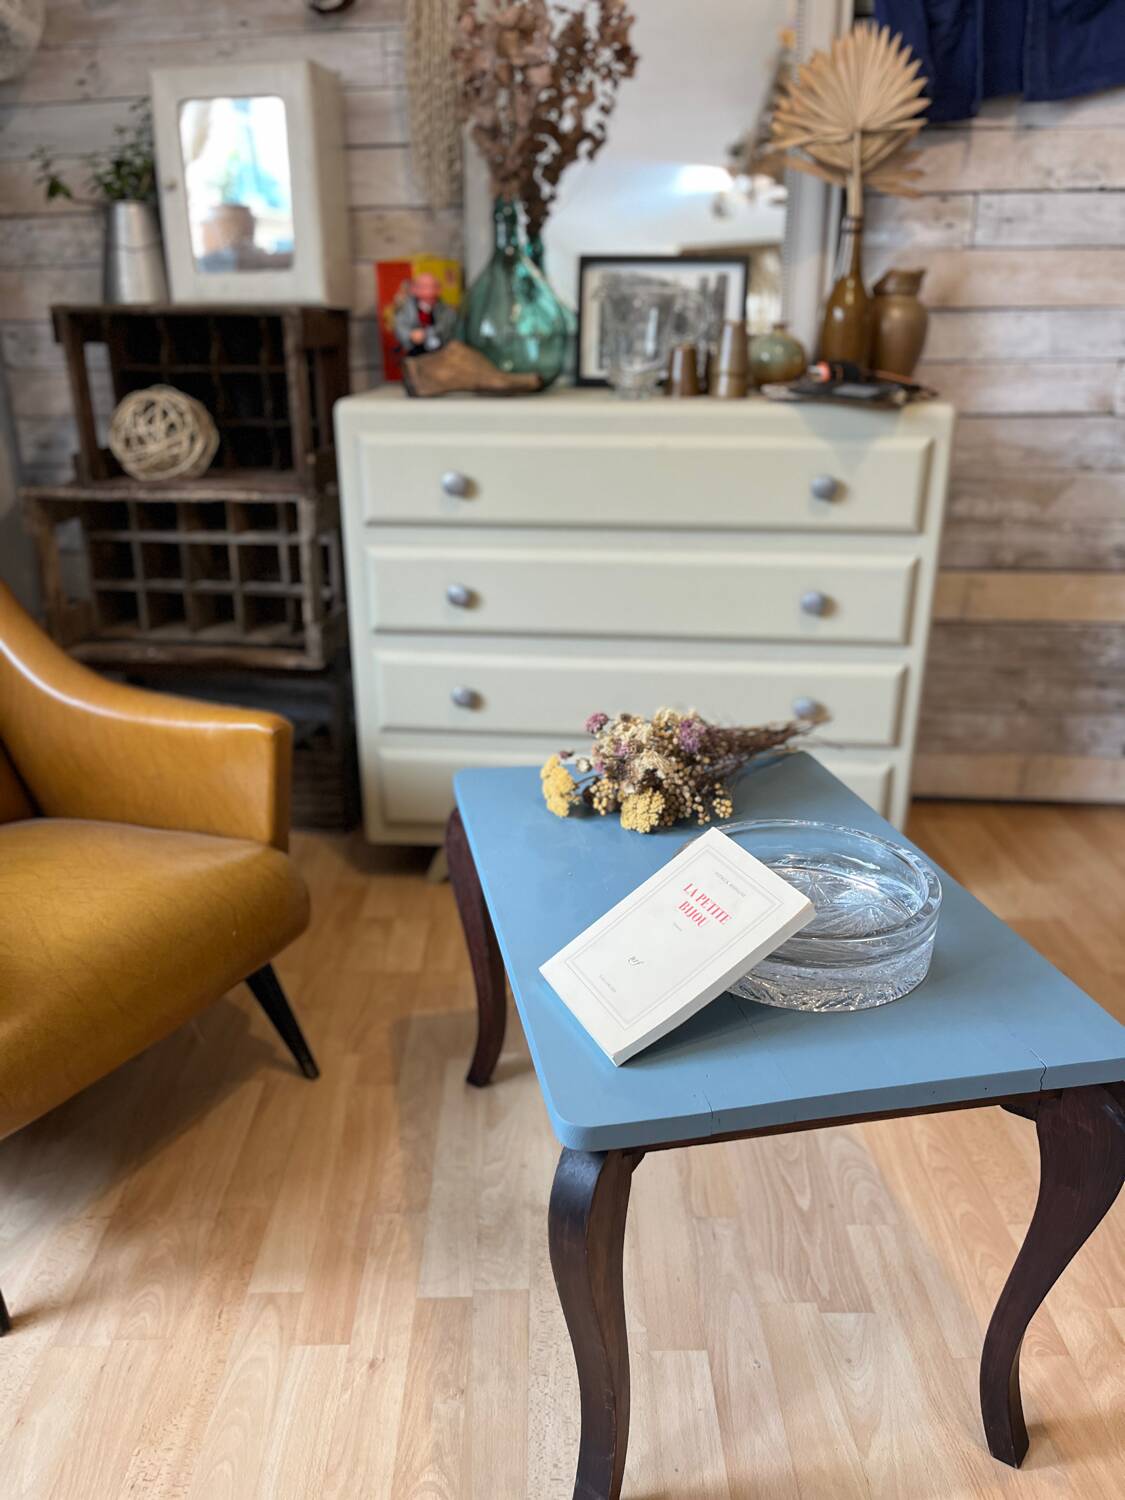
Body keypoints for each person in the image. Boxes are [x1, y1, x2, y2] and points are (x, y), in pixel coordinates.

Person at [393, 271, 457, 357]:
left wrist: (426, 334)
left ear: (439, 290)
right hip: (414, 354)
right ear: (414, 289)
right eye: (422, 287)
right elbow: (400, 326)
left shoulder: (446, 310)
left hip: (441, 354)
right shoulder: (406, 308)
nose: (427, 291)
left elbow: (447, 327)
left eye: (431, 287)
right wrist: (410, 335)